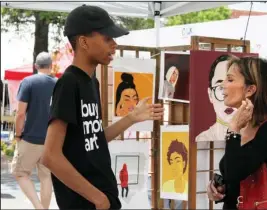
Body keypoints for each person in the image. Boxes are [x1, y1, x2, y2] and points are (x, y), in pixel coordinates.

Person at [41, 5, 164, 210]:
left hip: (101, 195)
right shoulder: (69, 83)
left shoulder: (91, 81)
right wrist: (97, 198)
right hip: (85, 201)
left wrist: (131, 118)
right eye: (107, 38)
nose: (114, 45)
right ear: (83, 42)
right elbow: (50, 156)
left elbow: (93, 139)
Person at [207, 57, 267, 209]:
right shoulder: (241, 128)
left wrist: (234, 129)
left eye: (229, 80)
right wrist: (220, 189)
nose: (222, 85)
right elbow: (236, 178)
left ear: (250, 90)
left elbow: (238, 171)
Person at [11, 52, 57, 209]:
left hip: (31, 138)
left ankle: (39, 207)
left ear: (36, 66)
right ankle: (44, 207)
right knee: (46, 177)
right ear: (51, 66)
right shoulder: (59, 84)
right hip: (51, 140)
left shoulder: (28, 82)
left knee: (20, 173)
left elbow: (21, 113)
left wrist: (18, 135)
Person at [196, 54, 236, 142]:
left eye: (233, 87)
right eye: (220, 87)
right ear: (210, 95)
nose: (227, 99)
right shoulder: (203, 140)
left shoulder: (259, 137)